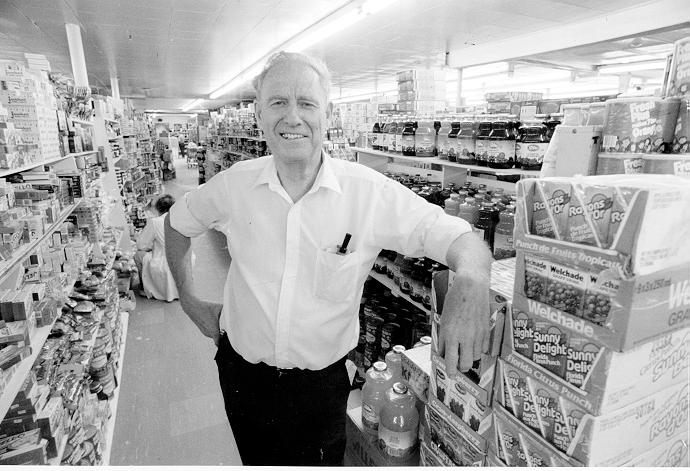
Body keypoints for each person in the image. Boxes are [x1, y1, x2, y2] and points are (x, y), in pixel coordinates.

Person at [164, 51, 491, 466]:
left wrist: (472, 281)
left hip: (321, 390)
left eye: (306, 103)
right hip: (242, 376)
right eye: (278, 103)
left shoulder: (368, 194)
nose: (293, 117)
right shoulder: (233, 186)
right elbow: (176, 223)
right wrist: (189, 300)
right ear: (260, 116)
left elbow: (457, 237)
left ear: (327, 114)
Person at [134, 194, 179, 302]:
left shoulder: (156, 222)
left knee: (138, 255)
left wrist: (150, 246)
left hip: (165, 262)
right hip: (185, 260)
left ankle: (144, 288)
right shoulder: (181, 219)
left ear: (158, 208)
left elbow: (141, 245)